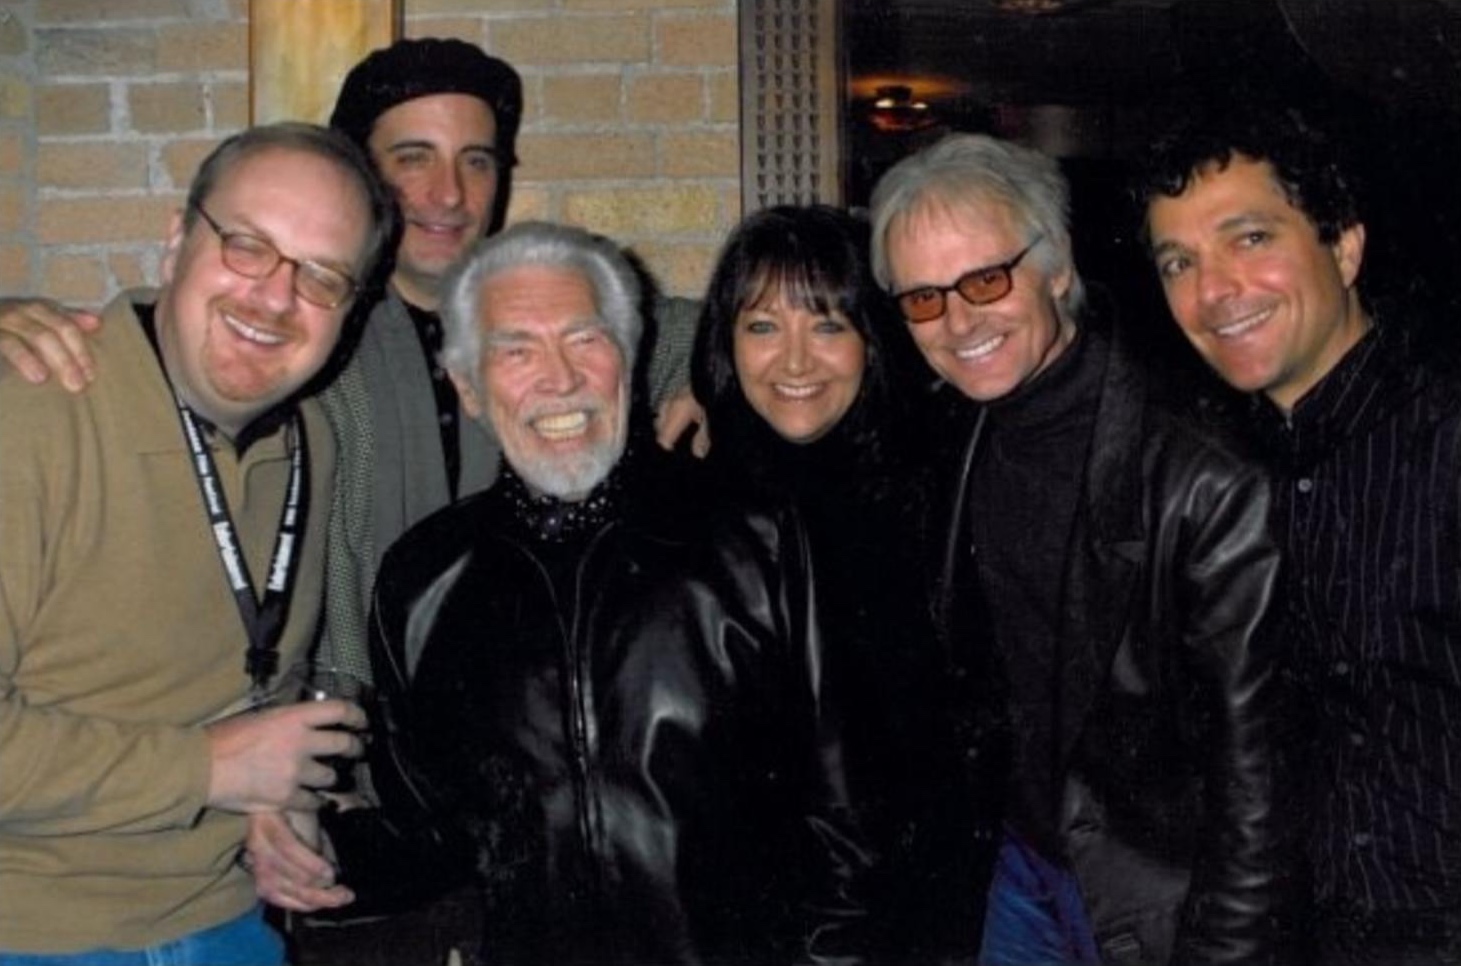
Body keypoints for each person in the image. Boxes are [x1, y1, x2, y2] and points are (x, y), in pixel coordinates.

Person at [252, 220, 873, 965]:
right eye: (516, 350)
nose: (560, 378)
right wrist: (314, 839)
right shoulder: (423, 580)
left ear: (629, 356)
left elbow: (855, 827)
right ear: (468, 387)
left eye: (584, 339)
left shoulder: (762, 538)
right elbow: (442, 839)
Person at [867, 133, 1284, 965]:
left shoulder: (1201, 471)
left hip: (1160, 900)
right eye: (920, 299)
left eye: (985, 280)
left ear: (1057, 267)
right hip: (1022, 868)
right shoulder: (954, 431)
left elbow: (1258, 779)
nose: (956, 322)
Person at [0, 122, 394, 964]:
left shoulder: (310, 442)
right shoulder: (25, 415)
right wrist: (208, 771)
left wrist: (265, 803)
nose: (275, 297)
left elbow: (249, 683)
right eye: (247, 246)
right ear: (177, 242)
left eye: (321, 276)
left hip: (223, 918)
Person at [1136, 103, 1461, 966]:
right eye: (1179, 261)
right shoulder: (1207, 470)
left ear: (1344, 248)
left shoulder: (1445, 436)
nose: (1212, 291)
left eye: (1248, 239)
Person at [689, 203, 981, 962]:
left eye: (825, 325)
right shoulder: (693, 512)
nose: (794, 362)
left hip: (919, 918)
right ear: (725, 342)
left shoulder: (935, 496)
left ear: (871, 341)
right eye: (761, 327)